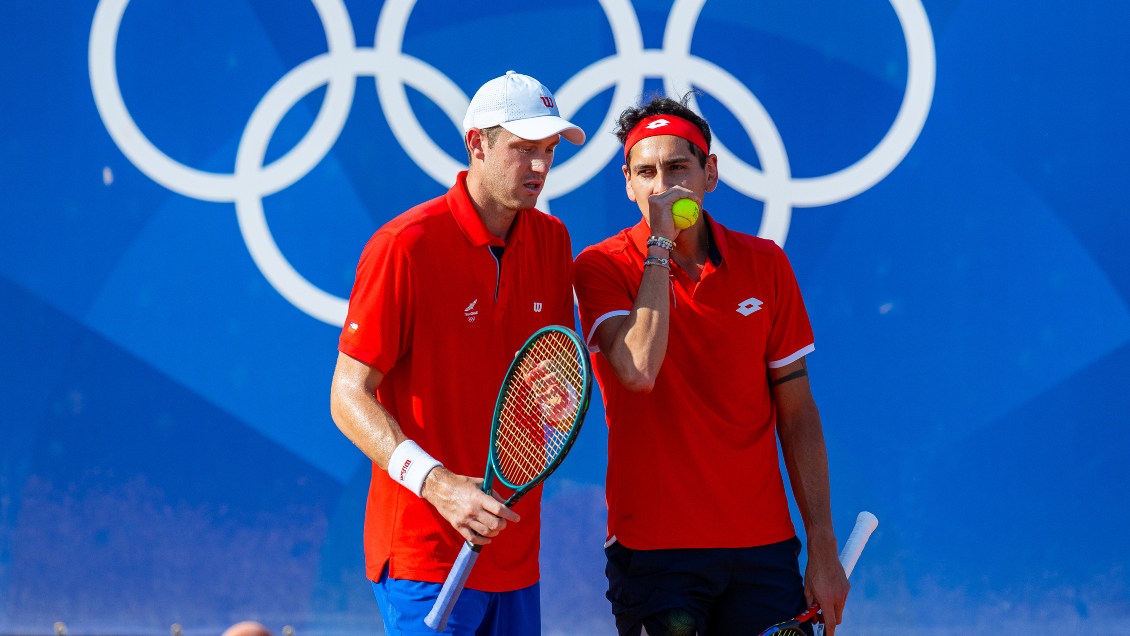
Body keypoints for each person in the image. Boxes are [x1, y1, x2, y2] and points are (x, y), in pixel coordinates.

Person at [572, 94, 851, 636]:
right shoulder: (600, 267)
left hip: (763, 549)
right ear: (627, 184)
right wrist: (660, 245)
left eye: (679, 167)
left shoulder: (767, 264)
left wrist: (822, 547)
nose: (664, 187)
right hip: (655, 554)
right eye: (646, 172)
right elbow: (637, 370)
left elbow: (797, 414)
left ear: (711, 173)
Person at [329, 71, 584, 636]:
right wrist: (438, 484)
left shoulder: (553, 240)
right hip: (425, 557)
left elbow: (556, 381)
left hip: (514, 555)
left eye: (548, 152)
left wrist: (556, 395)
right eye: (523, 150)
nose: (540, 168)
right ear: (478, 145)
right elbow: (347, 395)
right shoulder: (405, 246)